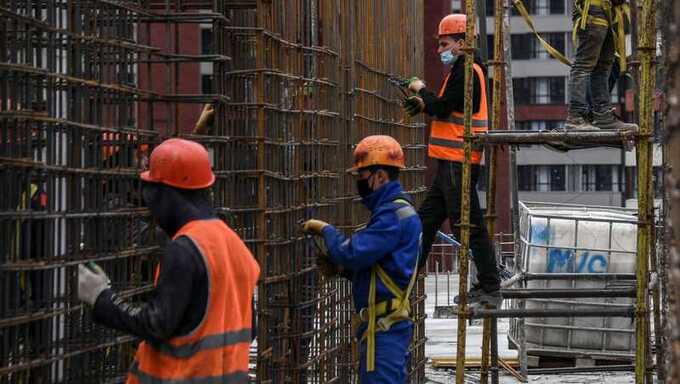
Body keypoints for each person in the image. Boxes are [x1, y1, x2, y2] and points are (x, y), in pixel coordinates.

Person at [77, 138, 260, 383]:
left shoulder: (186, 249)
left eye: (151, 197)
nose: (150, 209)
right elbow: (249, 327)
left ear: (167, 195)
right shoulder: (236, 247)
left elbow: (156, 323)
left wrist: (101, 299)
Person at [302, 135, 422, 383]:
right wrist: (343, 270)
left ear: (380, 176)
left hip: (384, 331)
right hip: (387, 328)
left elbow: (352, 253)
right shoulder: (396, 211)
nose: (359, 183)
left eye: (362, 177)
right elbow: (382, 267)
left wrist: (327, 231)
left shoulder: (392, 215)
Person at [402, 13, 501, 304]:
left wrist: (422, 91)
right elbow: (452, 107)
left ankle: (490, 285)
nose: (440, 50)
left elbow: (445, 107)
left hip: (459, 161)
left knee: (468, 226)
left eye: (444, 44)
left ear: (461, 43)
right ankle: (405, 273)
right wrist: (424, 104)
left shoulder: (468, 70)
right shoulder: (464, 69)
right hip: (451, 162)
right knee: (426, 221)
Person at [565, 0, 636, 131]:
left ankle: (603, 117)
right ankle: (576, 117)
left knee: (603, 67)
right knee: (584, 65)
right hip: (593, 9)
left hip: (608, 10)